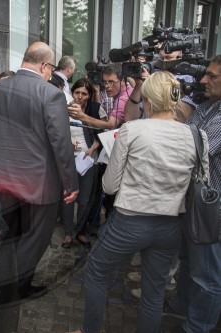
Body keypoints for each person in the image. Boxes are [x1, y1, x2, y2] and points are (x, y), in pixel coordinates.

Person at [70, 71, 208, 333]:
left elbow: (109, 185)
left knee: (96, 273)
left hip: (129, 221)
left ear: (147, 99)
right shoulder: (196, 135)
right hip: (171, 225)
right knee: (154, 293)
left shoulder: (132, 129)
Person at [0, 41, 79, 299]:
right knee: (35, 238)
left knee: (10, 233)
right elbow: (61, 143)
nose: (51, 73)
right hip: (39, 182)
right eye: (52, 68)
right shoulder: (51, 94)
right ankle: (14, 289)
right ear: (45, 65)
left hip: (3, 177)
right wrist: (71, 181)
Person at [165, 54, 221, 333]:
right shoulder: (209, 105)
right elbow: (185, 134)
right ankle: (182, 306)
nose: (203, 80)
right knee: (188, 260)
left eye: (212, 76)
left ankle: (197, 327)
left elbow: (199, 150)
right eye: (205, 74)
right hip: (194, 201)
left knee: (208, 275)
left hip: (213, 209)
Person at [61, 78, 107, 249]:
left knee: (84, 199)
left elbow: (104, 130)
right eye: (77, 92)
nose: (80, 96)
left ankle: (80, 231)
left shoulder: (95, 109)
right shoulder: (64, 109)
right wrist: (67, 143)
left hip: (88, 159)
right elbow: (57, 131)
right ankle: (67, 233)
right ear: (72, 92)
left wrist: (93, 148)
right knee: (67, 196)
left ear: (89, 95)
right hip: (68, 159)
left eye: (84, 94)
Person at [70, 64, 132, 130]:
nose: (107, 86)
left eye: (111, 82)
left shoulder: (122, 99)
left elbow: (111, 125)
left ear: (123, 81)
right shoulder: (127, 91)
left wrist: (82, 116)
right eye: (105, 82)